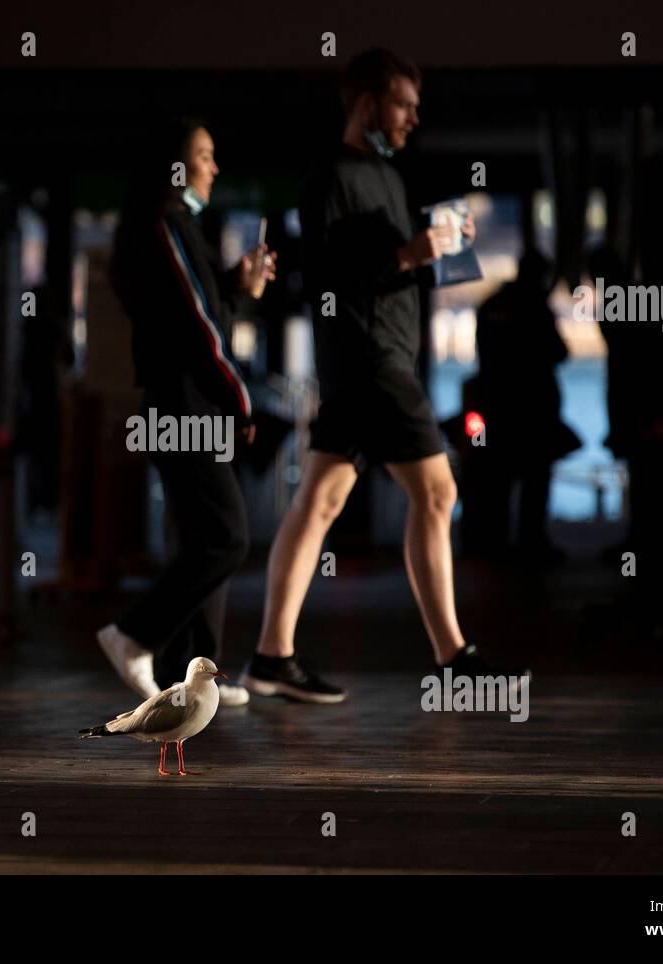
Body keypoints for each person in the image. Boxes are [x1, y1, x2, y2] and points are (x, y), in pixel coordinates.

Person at [240, 49, 526, 703]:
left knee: (320, 503)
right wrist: (405, 253)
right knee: (436, 493)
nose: (413, 117)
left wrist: (438, 249)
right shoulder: (330, 180)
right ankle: (452, 658)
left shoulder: (390, 180)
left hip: (372, 358)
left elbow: (392, 266)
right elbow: (329, 278)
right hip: (371, 359)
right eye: (402, 104)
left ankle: (270, 655)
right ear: (367, 103)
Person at [96, 119, 276, 707]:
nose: (213, 167)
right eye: (204, 155)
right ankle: (132, 635)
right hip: (183, 406)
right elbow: (197, 328)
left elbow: (194, 308)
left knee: (205, 535)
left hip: (187, 403)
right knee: (226, 537)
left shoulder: (177, 228)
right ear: (174, 168)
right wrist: (242, 399)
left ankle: (186, 674)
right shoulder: (164, 225)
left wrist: (235, 283)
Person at [469, 248, 573, 564]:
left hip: (497, 407)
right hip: (533, 409)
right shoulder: (536, 308)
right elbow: (559, 352)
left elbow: (484, 353)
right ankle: (532, 543)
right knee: (534, 479)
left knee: (498, 479)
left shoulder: (491, 306)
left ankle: (495, 542)